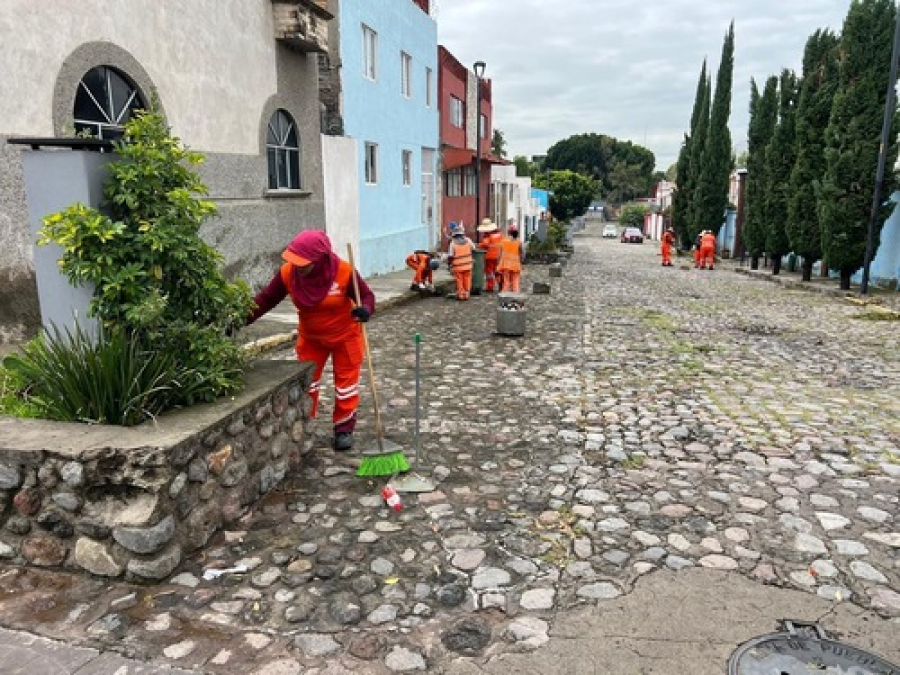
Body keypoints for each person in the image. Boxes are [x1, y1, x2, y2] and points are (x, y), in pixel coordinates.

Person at [246, 230, 375, 452]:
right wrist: (241, 318)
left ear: (319, 259)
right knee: (308, 384)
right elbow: (266, 299)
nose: (297, 266)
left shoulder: (344, 272)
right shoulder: (288, 273)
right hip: (311, 339)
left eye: (303, 262)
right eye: (294, 260)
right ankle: (306, 422)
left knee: (346, 385)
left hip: (345, 337)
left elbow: (366, 296)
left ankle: (343, 428)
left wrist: (366, 309)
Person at [447, 223, 474, 300]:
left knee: (459, 280)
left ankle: (461, 295)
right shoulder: (468, 240)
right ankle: (467, 294)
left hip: (458, 266)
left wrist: (449, 264)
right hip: (468, 265)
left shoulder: (453, 243)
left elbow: (450, 256)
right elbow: (473, 248)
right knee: (467, 279)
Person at [477, 218, 503, 292]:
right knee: (497, 271)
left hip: (489, 256)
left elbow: (485, 244)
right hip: (498, 256)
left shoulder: (487, 235)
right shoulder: (499, 234)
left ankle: (490, 287)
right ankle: (500, 284)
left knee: (489, 273)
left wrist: (478, 245)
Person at [497, 226, 525, 293]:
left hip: (505, 264)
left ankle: (505, 294)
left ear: (508, 232)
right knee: (515, 280)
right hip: (516, 265)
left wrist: (498, 262)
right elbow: (522, 253)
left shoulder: (503, 241)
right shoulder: (519, 242)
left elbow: (500, 253)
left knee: (506, 281)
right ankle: (515, 294)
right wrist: (521, 262)